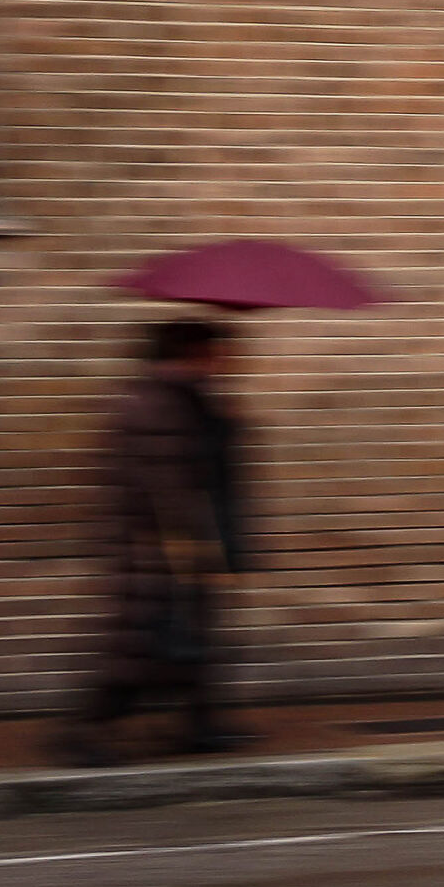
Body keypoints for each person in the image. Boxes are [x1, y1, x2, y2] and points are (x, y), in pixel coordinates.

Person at [53, 317, 256, 764]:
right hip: (158, 549)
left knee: (191, 638)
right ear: (191, 353)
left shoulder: (184, 400)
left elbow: (208, 464)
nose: (225, 360)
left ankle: (200, 726)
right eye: (217, 351)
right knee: (139, 648)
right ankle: (81, 731)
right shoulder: (152, 406)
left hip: (182, 546)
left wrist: (229, 424)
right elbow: (169, 486)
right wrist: (194, 543)